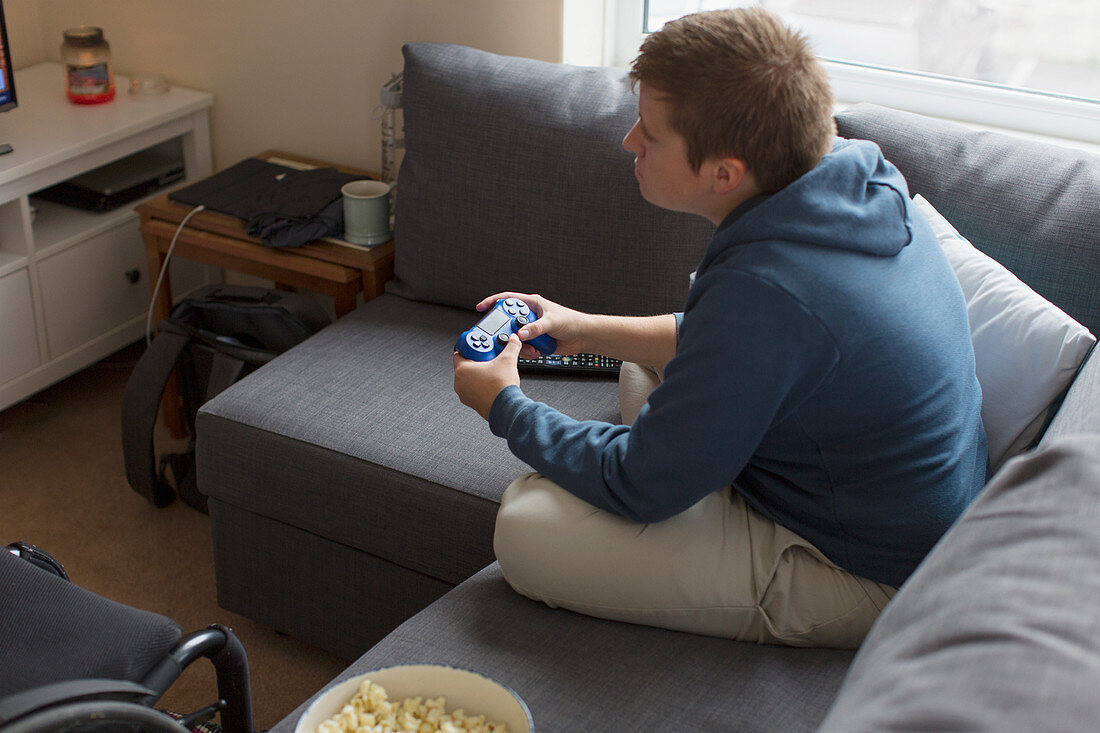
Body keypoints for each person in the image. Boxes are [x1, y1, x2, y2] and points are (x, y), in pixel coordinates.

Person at [452, 7, 987, 648]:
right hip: (870, 482)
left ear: (724, 173)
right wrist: (580, 327)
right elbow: (734, 338)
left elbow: (641, 482)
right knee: (639, 361)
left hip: (871, 570)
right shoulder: (851, 176)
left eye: (649, 132)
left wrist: (504, 406)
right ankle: (694, 460)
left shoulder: (769, 290)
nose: (629, 142)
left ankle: (696, 476)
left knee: (524, 526)